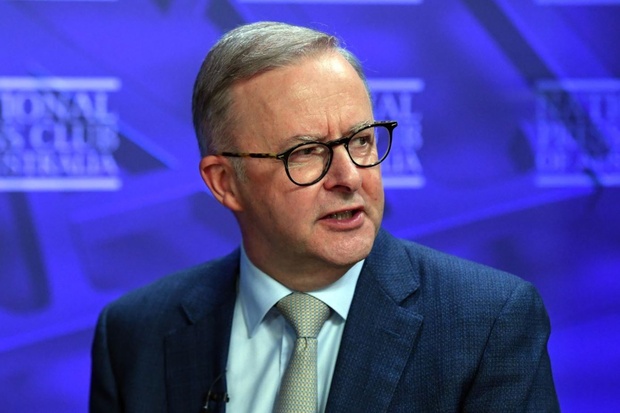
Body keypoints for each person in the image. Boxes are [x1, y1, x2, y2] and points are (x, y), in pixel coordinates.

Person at [89, 21, 560, 413]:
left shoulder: (487, 323)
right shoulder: (134, 335)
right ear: (225, 182)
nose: (349, 177)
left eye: (361, 141)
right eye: (306, 152)